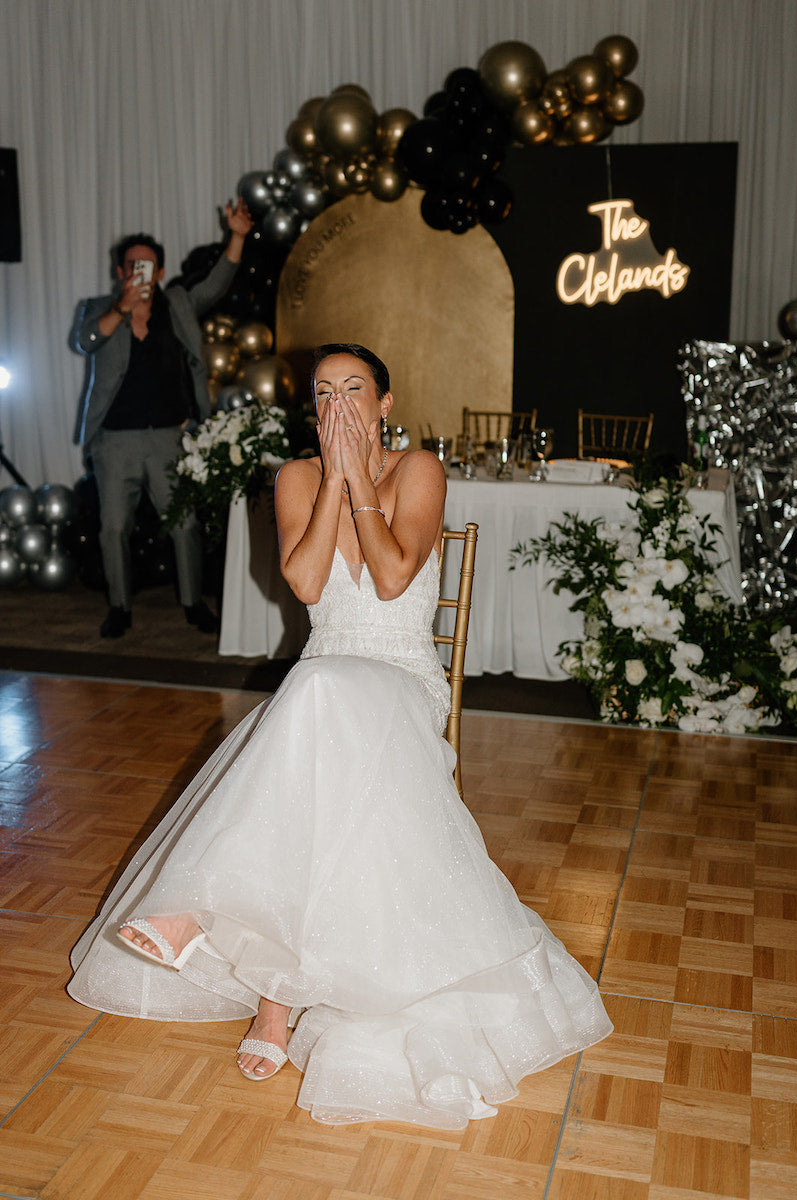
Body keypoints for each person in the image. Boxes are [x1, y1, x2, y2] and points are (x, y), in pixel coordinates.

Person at [68, 344, 612, 1129]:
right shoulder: (294, 478)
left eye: (354, 390)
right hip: (323, 684)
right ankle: (272, 1004)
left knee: (315, 696)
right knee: (317, 703)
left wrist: (359, 475)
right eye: (324, 392)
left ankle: (236, 965)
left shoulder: (418, 469)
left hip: (398, 678)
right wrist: (328, 475)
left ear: (384, 402)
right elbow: (308, 584)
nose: (340, 404)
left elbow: (392, 576)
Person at [73, 199, 254, 638]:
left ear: (160, 271)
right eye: (133, 265)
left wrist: (237, 236)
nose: (141, 274)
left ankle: (193, 603)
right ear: (120, 272)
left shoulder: (176, 304)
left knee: (185, 524)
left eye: (149, 267)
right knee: (113, 528)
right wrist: (120, 308)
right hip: (114, 442)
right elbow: (85, 341)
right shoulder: (98, 307)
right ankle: (119, 607)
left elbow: (214, 285)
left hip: (169, 438)